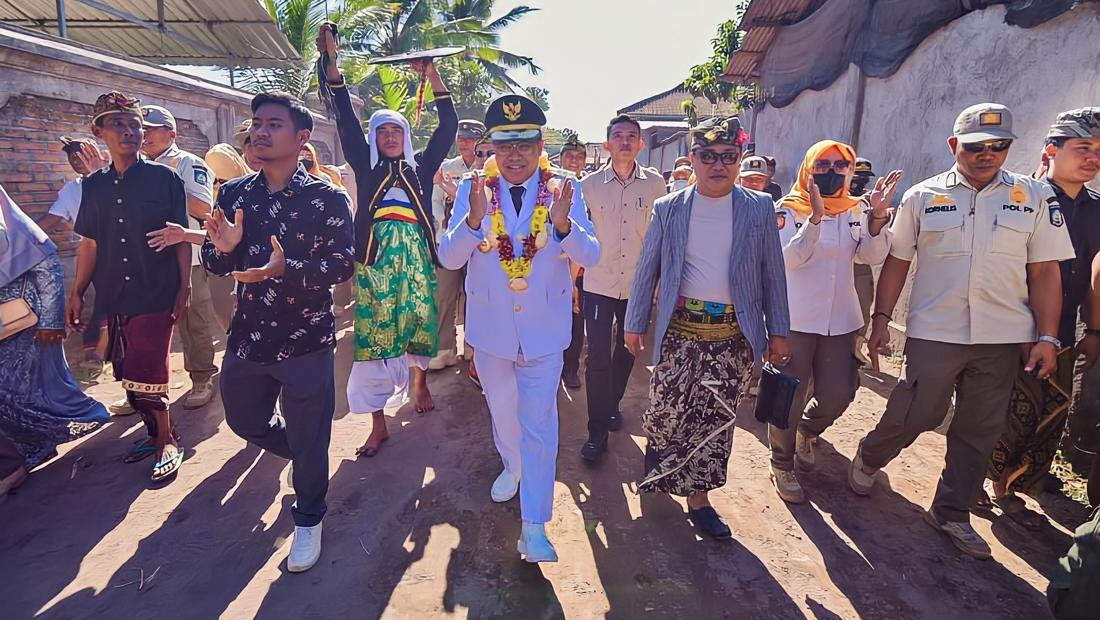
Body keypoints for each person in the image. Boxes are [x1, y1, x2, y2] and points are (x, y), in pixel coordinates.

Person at [856, 103, 1075, 559]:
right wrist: (880, 319)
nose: (988, 154)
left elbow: (1046, 271)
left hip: (1001, 337)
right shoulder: (922, 196)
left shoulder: (1033, 197)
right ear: (955, 146)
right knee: (918, 411)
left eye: (999, 146)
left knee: (979, 428)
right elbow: (898, 261)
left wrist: (1048, 337)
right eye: (977, 146)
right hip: (935, 331)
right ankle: (872, 455)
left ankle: (950, 511)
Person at [438, 94, 600, 562]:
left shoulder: (566, 187)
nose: (513, 154)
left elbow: (591, 256)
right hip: (491, 333)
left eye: (524, 143)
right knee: (504, 416)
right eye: (504, 144)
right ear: (491, 148)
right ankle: (511, 464)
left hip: (545, 333)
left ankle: (535, 527)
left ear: (539, 144)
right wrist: (470, 220)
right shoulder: (475, 189)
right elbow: (449, 258)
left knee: (540, 425)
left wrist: (566, 227)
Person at [202, 91, 354, 573]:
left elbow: (342, 263)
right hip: (248, 339)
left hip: (306, 339)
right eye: (256, 124)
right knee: (244, 422)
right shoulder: (233, 195)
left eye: (273, 124)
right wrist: (223, 250)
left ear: (302, 138)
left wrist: (284, 270)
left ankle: (309, 517)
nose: (260, 132)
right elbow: (214, 259)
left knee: (310, 434)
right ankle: (308, 455)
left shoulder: (326, 198)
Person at [624, 117, 790, 540]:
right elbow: (648, 269)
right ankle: (660, 455)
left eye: (729, 157)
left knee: (714, 420)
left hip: (733, 336)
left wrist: (780, 330)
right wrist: (634, 321)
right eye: (709, 156)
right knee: (665, 411)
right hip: (679, 331)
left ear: (738, 160)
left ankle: (699, 499)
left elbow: (773, 273)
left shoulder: (759, 208)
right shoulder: (670, 207)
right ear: (693, 159)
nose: (719, 165)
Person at [317, 26, 457, 458]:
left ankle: (418, 384)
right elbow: (343, 115)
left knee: (417, 324)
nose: (391, 137)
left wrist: (431, 75)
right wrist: (332, 64)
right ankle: (377, 424)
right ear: (375, 138)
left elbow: (448, 124)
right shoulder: (364, 163)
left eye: (396, 131)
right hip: (376, 260)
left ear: (405, 136)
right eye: (383, 132)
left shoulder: (421, 167)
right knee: (375, 337)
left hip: (416, 257)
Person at [67, 92, 191, 483]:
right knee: (125, 368)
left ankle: (167, 441)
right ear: (99, 132)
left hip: (156, 288)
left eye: (134, 124)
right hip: (113, 294)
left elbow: (181, 238)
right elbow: (91, 243)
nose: (129, 131)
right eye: (117, 124)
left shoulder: (165, 178)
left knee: (149, 364)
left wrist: (184, 287)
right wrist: (77, 291)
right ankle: (154, 431)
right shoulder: (94, 186)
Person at [768, 140, 899, 503]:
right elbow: (787, 260)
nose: (831, 171)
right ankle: (782, 462)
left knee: (839, 392)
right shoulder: (788, 209)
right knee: (788, 395)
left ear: (850, 170)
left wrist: (876, 218)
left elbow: (869, 257)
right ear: (808, 167)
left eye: (840, 166)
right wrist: (814, 218)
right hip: (795, 318)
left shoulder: (857, 209)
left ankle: (806, 431)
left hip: (840, 319)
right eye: (822, 164)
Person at [986, 108, 1100, 526]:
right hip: (1010, 324)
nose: (1093, 158)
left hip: (1066, 328)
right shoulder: (1020, 200)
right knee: (1002, 410)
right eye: (1083, 148)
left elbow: (1094, 275)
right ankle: (986, 484)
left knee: (1050, 412)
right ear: (1051, 150)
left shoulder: (1096, 209)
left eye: (1099, 151)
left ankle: (1017, 481)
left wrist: (1095, 329)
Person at [0, 183, 109, 500]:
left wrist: (50, 319)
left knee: (32, 382)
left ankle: (82, 417)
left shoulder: (16, 230)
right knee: (12, 390)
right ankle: (30, 448)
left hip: (27, 310)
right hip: (9, 313)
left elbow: (38, 259)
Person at [578, 114, 666, 461]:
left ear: (641, 144)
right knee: (597, 355)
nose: (626, 141)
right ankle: (596, 431)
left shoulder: (656, 185)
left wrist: (658, 277)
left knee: (628, 350)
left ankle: (612, 402)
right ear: (607, 144)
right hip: (599, 281)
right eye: (619, 136)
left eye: (632, 136)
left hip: (638, 285)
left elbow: (662, 235)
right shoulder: (589, 185)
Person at [140, 105, 219, 410]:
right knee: (145, 323)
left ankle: (201, 377)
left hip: (187, 256)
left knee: (192, 319)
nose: (143, 135)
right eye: (141, 128)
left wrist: (158, 191)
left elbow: (202, 207)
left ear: (170, 134)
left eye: (150, 129)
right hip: (146, 257)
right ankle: (145, 385)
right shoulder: (134, 166)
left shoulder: (187, 163)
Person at [39, 137, 110, 381]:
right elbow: (51, 220)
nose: (77, 161)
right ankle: (99, 349)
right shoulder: (71, 190)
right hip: (90, 252)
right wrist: (24, 236)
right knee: (100, 302)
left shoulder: (116, 179)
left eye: (81, 154)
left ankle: (99, 354)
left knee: (110, 302)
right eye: (72, 157)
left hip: (121, 252)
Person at [429, 119, 485, 371]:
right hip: (450, 238)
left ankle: (473, 347)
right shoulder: (447, 168)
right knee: (444, 294)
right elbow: (436, 202)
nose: (465, 142)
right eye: (461, 138)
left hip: (483, 242)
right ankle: (445, 349)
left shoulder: (492, 165)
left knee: (477, 294)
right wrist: (440, 234)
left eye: (471, 138)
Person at [559, 134, 588, 389]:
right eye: (569, 155)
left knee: (576, 320)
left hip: (580, 265)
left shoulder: (589, 187)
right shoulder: (549, 186)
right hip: (554, 264)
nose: (574, 160)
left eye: (579, 157)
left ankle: (571, 368)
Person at [849, 157, 879, 365]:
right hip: (837, 263)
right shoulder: (833, 200)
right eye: (856, 179)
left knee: (863, 302)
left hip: (860, 264)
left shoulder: (869, 202)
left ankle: (855, 347)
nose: (860, 184)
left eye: (864, 180)